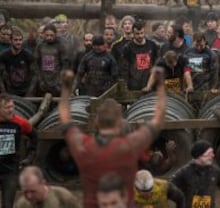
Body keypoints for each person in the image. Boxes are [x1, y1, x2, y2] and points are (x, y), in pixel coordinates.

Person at [58, 66, 166, 208]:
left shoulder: (84, 146)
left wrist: (66, 88)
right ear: (120, 123)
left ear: (96, 123)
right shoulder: (129, 146)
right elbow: (158, 118)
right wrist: (160, 84)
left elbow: (65, 119)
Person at [171, 140, 220, 208]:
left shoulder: (215, 172)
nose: (212, 156)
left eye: (212, 153)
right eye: (209, 153)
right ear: (199, 155)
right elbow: (168, 189)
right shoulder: (184, 172)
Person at [0, 93, 38, 208]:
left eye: (12, 107)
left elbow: (34, 136)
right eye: (7, 108)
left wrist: (30, 156)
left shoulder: (20, 123)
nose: (11, 110)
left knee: (8, 205)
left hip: (10, 170)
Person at [14, 166, 80, 208]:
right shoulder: (22, 204)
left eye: (33, 191)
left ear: (43, 183)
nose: (29, 196)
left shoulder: (62, 197)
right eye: (25, 192)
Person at [33, 23, 69, 96]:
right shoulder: (40, 46)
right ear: (43, 35)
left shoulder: (60, 46)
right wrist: (40, 80)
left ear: (55, 35)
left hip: (56, 80)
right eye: (47, 35)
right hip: (43, 80)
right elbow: (36, 64)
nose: (49, 37)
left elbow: (65, 64)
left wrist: (59, 81)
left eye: (51, 35)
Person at [123, 20, 158, 90]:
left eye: (142, 33)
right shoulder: (128, 47)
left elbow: (156, 64)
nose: (140, 36)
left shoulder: (152, 45)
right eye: (137, 34)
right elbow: (125, 67)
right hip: (134, 84)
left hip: (149, 83)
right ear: (133, 33)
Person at [0, 29, 37, 96]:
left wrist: (29, 93)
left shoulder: (28, 55)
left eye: (20, 40)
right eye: (16, 40)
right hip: (9, 91)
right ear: (11, 41)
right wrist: (4, 92)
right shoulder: (4, 56)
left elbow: (34, 76)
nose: (18, 42)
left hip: (25, 90)